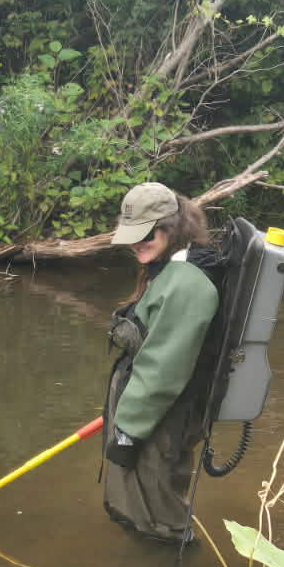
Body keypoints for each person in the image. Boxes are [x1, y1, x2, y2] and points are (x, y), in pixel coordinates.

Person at [102, 183, 220, 544]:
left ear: (171, 228)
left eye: (146, 235)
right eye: (132, 236)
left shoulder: (187, 283)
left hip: (162, 416)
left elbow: (162, 370)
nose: (137, 244)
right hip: (149, 412)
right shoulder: (167, 267)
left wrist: (128, 429)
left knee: (159, 512)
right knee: (141, 504)